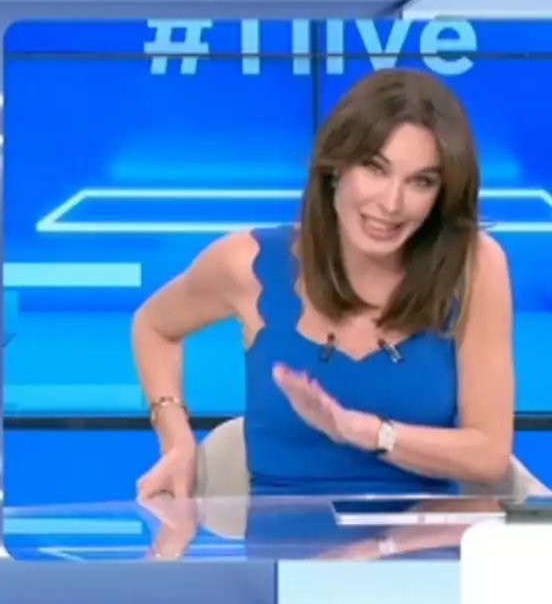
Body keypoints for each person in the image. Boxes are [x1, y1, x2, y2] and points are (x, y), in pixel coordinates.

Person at [133, 68, 514, 500]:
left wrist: (368, 433)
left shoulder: (474, 266)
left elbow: (489, 455)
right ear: (336, 169)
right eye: (375, 168)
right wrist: (177, 441)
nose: (391, 203)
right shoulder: (247, 264)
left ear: (442, 194)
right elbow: (153, 327)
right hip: (287, 538)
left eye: (421, 182)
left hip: (425, 535)